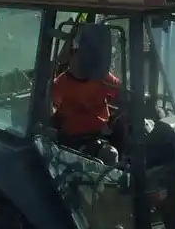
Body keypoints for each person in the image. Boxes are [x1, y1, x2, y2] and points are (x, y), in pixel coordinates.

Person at [51, 23, 122, 165]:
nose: (85, 58)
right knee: (110, 155)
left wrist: (116, 121)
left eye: (91, 53)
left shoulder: (103, 77)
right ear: (71, 54)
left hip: (102, 134)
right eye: (79, 53)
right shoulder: (60, 84)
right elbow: (50, 113)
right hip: (75, 139)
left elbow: (125, 96)